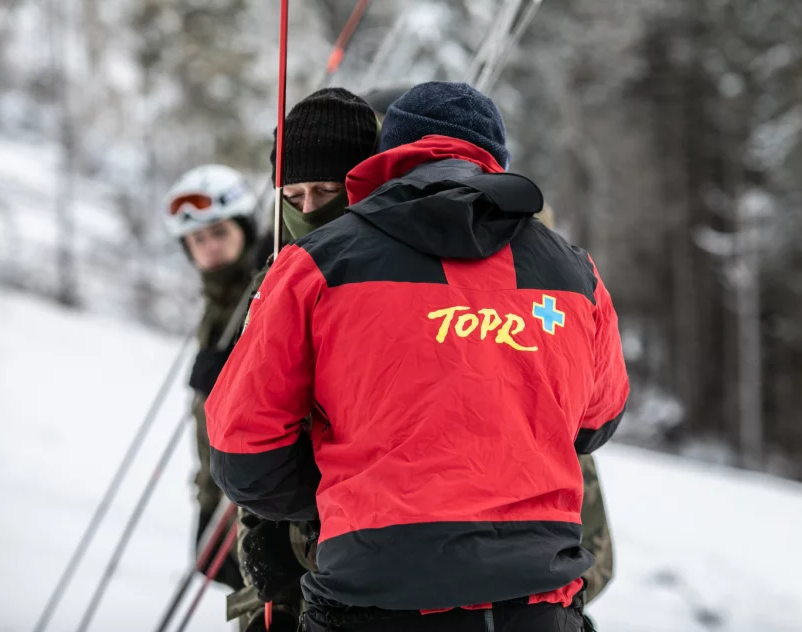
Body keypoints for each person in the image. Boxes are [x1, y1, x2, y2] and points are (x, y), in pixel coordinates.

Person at [207, 81, 630, 632]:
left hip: (372, 593)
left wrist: (345, 489)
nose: (308, 209)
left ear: (386, 157)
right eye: (294, 198)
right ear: (495, 161)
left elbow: (242, 452)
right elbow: (596, 421)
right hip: (537, 600)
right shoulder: (574, 271)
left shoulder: (318, 262)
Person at [225, 88, 380, 632]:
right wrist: (261, 545)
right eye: (293, 195)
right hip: (297, 571)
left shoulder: (391, 283)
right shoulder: (273, 280)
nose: (310, 209)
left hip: (368, 565)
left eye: (328, 191)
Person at [162, 164, 262, 593]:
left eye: (219, 232)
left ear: (244, 228)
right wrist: (206, 496)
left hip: (258, 495)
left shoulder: (265, 286)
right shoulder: (216, 302)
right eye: (197, 240)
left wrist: (233, 373)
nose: (209, 248)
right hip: (219, 488)